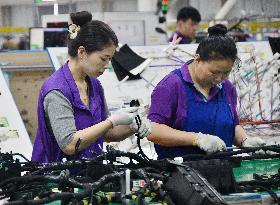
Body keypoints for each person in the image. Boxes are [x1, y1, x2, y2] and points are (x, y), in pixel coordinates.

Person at [32, 11, 147, 163]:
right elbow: (69, 144)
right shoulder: (57, 90)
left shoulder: (94, 85)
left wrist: (133, 126)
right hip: (55, 178)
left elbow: (107, 133)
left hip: (90, 175)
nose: (107, 66)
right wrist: (111, 121)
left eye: (110, 59)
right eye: (103, 58)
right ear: (82, 52)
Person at [143, 24, 266, 160]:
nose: (219, 78)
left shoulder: (227, 88)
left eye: (226, 73)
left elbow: (231, 125)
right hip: (179, 175)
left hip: (222, 172)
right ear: (198, 59)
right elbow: (152, 130)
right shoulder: (171, 86)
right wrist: (196, 139)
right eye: (214, 72)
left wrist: (245, 141)